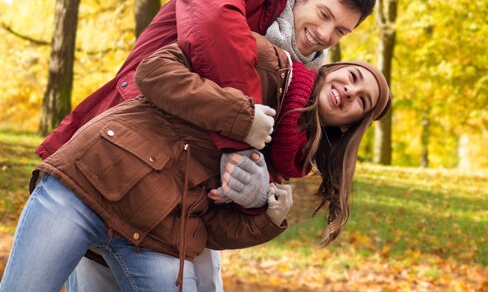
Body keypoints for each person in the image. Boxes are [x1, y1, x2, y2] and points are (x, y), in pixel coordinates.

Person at [37, 0, 376, 291]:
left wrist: (260, 193)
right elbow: (212, 30)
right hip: (121, 152)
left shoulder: (304, 79)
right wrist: (240, 134)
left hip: (182, 197)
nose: (325, 34)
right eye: (323, 14)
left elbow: (264, 146)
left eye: (341, 31)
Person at [0, 36, 391, 292]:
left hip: (154, 236)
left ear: (350, 125)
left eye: (361, 100)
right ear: (331, 69)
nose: (350, 90)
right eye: (353, 76)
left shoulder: (289, 163)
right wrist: (240, 118)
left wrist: (264, 218)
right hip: (87, 185)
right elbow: (154, 69)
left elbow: (210, 227)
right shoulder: (269, 62)